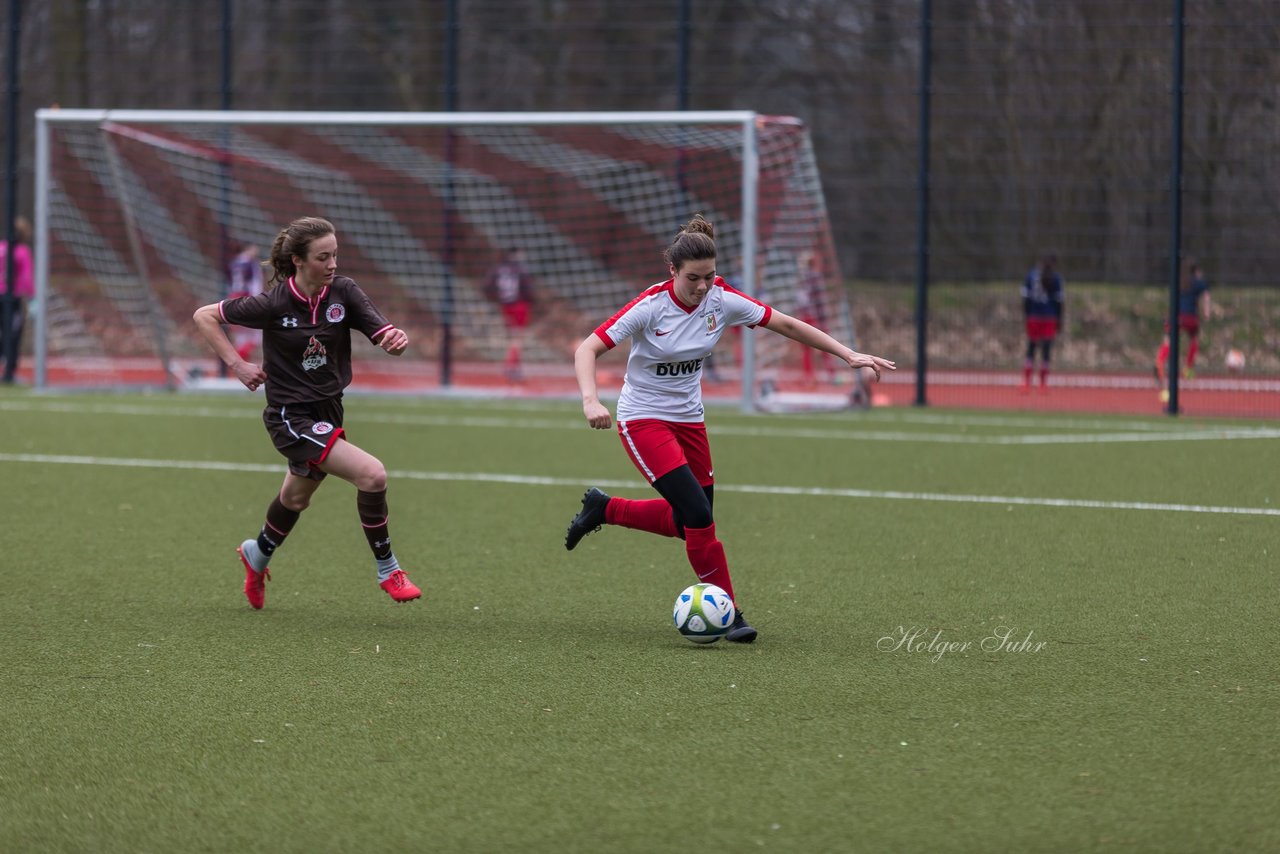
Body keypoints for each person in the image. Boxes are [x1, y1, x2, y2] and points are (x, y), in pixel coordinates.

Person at [563, 214, 895, 643]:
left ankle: (604, 509)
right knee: (699, 516)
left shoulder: (722, 299)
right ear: (672, 272)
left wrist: (847, 354)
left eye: (710, 276)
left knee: (691, 523)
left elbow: (787, 324)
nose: (702, 287)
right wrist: (591, 400)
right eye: (692, 279)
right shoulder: (650, 306)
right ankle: (730, 612)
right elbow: (588, 348)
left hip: (690, 420)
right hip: (642, 418)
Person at [192, 216, 421, 609]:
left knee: (296, 499)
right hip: (289, 416)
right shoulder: (273, 302)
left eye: (335, 255)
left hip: (329, 409)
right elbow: (204, 315)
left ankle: (256, 554)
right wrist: (238, 365)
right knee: (372, 474)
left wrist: (395, 341)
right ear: (298, 260)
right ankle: (389, 569)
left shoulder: (344, 292)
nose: (333, 264)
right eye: (323, 257)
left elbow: (383, 333)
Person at [1155, 258, 1211, 393]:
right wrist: (1206, 312)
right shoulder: (1198, 282)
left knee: (1168, 342)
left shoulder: (1178, 280)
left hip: (1174, 317)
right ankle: (1188, 368)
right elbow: (1206, 297)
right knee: (1194, 338)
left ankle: (1160, 363)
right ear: (1196, 271)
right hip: (1189, 317)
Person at [484, 247, 536, 381]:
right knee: (517, 338)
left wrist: (496, 298)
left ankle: (515, 367)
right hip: (519, 305)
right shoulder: (520, 269)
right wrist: (531, 300)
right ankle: (510, 366)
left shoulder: (499, 268)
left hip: (505, 306)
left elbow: (487, 285)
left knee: (513, 337)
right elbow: (528, 289)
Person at [1020, 254, 1064, 393]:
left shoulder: (1030, 276)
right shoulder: (1056, 278)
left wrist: (1027, 316)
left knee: (1031, 347)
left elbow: (1025, 299)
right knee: (1046, 350)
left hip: (1034, 317)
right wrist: (1059, 319)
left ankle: (1026, 382)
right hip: (1049, 317)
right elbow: (1059, 302)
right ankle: (1043, 385)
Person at [794, 250, 837, 386]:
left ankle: (811, 376)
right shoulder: (812, 278)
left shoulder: (806, 279)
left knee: (811, 348)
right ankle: (829, 375)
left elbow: (806, 300)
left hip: (810, 317)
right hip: (814, 317)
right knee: (825, 346)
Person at [0, 216, 34, 384]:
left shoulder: (1, 248)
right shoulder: (22, 252)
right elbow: (26, 278)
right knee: (13, 334)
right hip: (11, 299)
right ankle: (9, 373)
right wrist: (32, 298)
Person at [227, 241, 265, 362]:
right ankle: (239, 361)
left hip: (234, 297)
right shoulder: (252, 263)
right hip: (247, 298)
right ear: (249, 249)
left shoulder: (234, 263)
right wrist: (258, 299)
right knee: (256, 336)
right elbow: (255, 283)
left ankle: (239, 363)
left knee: (241, 337)